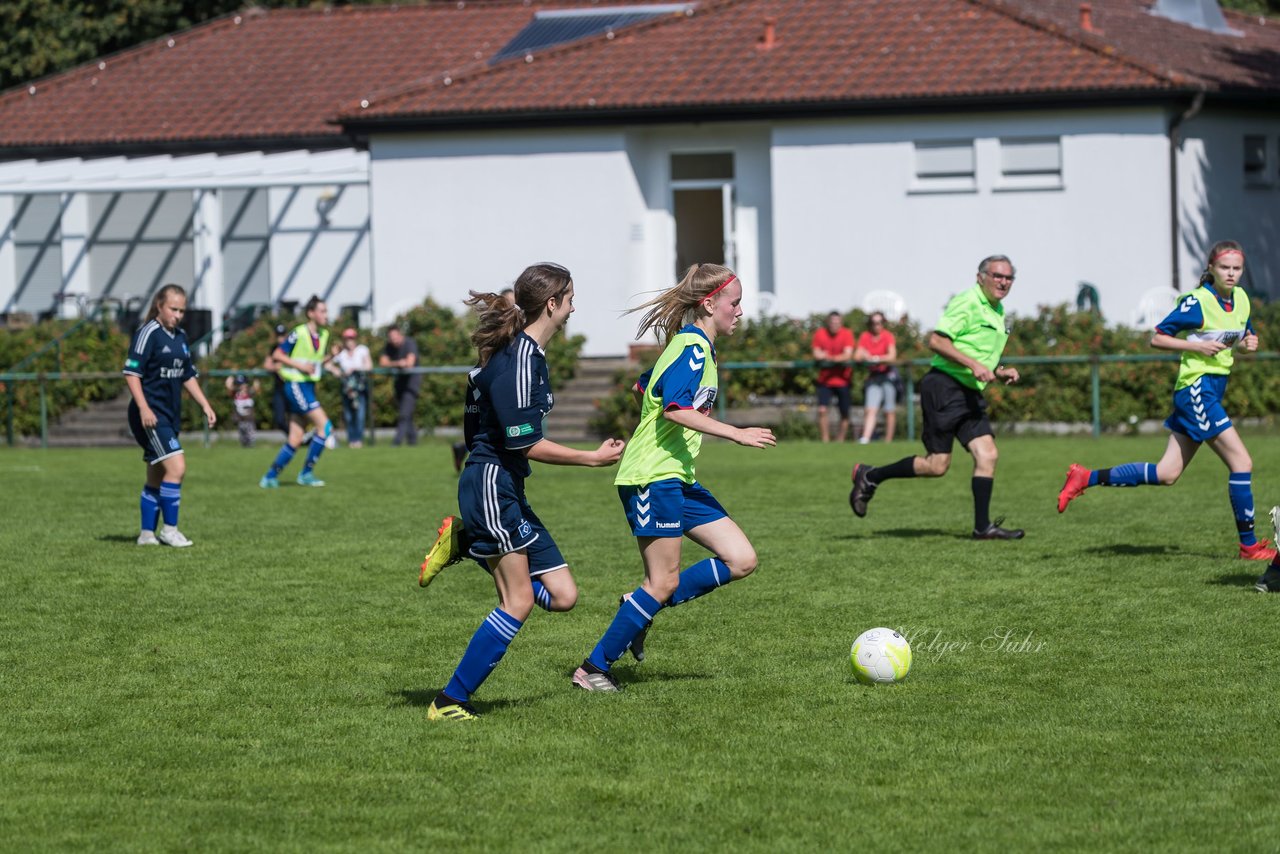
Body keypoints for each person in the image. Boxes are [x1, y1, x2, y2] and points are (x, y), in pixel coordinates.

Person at [415, 263, 625, 721]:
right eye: (570, 297)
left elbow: (475, 419)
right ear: (552, 304)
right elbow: (524, 442)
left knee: (564, 595)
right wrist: (591, 458)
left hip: (502, 487)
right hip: (494, 486)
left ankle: (468, 541)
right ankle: (449, 702)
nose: (574, 306)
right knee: (519, 602)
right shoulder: (519, 359)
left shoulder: (519, 354)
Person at [571, 262, 777, 693]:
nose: (740, 312)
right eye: (734, 303)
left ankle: (639, 607)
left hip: (677, 477)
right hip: (652, 478)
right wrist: (735, 433)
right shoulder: (693, 349)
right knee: (661, 581)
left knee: (741, 559)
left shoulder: (695, 345)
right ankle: (593, 669)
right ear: (709, 303)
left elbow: (643, 389)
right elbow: (673, 408)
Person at [1057, 240, 1276, 561]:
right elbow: (1157, 336)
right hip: (1196, 391)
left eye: (1236, 268)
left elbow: (1241, 338)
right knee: (1241, 462)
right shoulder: (1198, 302)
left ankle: (1085, 477)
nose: (1231, 274)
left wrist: (1247, 344)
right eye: (1224, 268)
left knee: (1167, 473)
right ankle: (1249, 546)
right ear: (1211, 269)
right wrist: (1196, 348)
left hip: (1212, 390)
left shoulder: (1241, 299)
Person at [849, 255, 1024, 540]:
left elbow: (976, 352)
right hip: (944, 386)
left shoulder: (997, 309)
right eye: (997, 275)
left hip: (968, 391)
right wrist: (974, 365)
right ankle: (870, 475)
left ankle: (983, 527)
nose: (1003, 282)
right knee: (936, 465)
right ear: (981, 277)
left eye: (1009, 277)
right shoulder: (968, 302)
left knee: (987, 454)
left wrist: (998, 371)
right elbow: (937, 341)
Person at [123, 284, 217, 547]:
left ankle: (146, 534)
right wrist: (143, 407)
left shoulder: (180, 337)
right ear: (159, 306)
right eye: (173, 309)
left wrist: (205, 405)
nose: (178, 315)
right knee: (177, 467)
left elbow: (187, 374)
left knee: (156, 472)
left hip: (169, 415)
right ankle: (170, 530)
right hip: (151, 416)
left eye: (181, 310)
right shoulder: (148, 333)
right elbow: (131, 373)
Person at [259, 295, 338, 488]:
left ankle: (269, 477)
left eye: (326, 311)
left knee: (295, 438)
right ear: (311, 313)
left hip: (308, 386)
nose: (326, 315)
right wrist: (299, 366)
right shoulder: (299, 332)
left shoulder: (324, 335)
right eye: (322, 311)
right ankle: (306, 473)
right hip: (295, 385)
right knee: (325, 427)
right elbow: (278, 354)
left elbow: (314, 364)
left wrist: (332, 357)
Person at [855, 311, 899, 444]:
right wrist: (864, 354)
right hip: (873, 377)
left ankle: (888, 441)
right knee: (870, 409)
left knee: (889, 410)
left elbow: (892, 356)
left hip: (887, 377)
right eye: (874, 323)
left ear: (883, 323)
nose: (876, 326)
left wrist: (876, 358)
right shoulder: (865, 336)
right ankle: (865, 438)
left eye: (879, 323)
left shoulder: (888, 336)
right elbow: (857, 356)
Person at [811, 311, 854, 443]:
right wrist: (836, 358)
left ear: (841, 323)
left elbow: (847, 355)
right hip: (825, 381)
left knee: (844, 413)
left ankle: (840, 440)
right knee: (822, 410)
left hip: (843, 380)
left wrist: (829, 357)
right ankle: (825, 440)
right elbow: (816, 354)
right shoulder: (820, 333)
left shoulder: (847, 334)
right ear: (828, 323)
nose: (834, 325)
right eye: (832, 322)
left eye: (837, 322)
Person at [380, 327, 421, 446]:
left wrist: (393, 364)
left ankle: (396, 442)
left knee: (404, 414)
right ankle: (413, 441)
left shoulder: (409, 343)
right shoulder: (389, 346)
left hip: (411, 383)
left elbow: (409, 363)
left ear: (400, 335)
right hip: (399, 383)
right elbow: (383, 362)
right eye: (391, 338)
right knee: (407, 414)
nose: (394, 341)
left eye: (395, 337)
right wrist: (398, 363)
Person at [333, 328, 371, 448]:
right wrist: (336, 371)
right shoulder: (341, 354)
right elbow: (327, 363)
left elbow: (369, 366)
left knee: (360, 415)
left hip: (360, 388)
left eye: (352, 338)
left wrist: (355, 368)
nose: (350, 341)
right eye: (347, 339)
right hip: (347, 389)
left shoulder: (362, 350)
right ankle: (351, 440)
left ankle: (358, 440)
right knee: (348, 416)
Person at [263, 324, 289, 434]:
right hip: (279, 387)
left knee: (298, 417)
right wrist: (276, 367)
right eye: (279, 336)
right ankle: (296, 439)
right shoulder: (274, 349)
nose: (281, 338)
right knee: (279, 419)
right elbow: (267, 365)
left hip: (292, 386)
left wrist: (284, 366)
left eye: (283, 335)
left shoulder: (292, 347)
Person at [224, 372, 260, 448]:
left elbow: (256, 387)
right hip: (240, 420)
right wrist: (231, 376)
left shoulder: (249, 392)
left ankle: (251, 447)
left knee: (251, 438)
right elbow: (228, 386)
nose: (242, 386)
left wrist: (256, 377)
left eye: (243, 384)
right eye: (239, 384)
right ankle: (244, 447)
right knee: (242, 438)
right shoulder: (236, 393)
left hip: (249, 419)